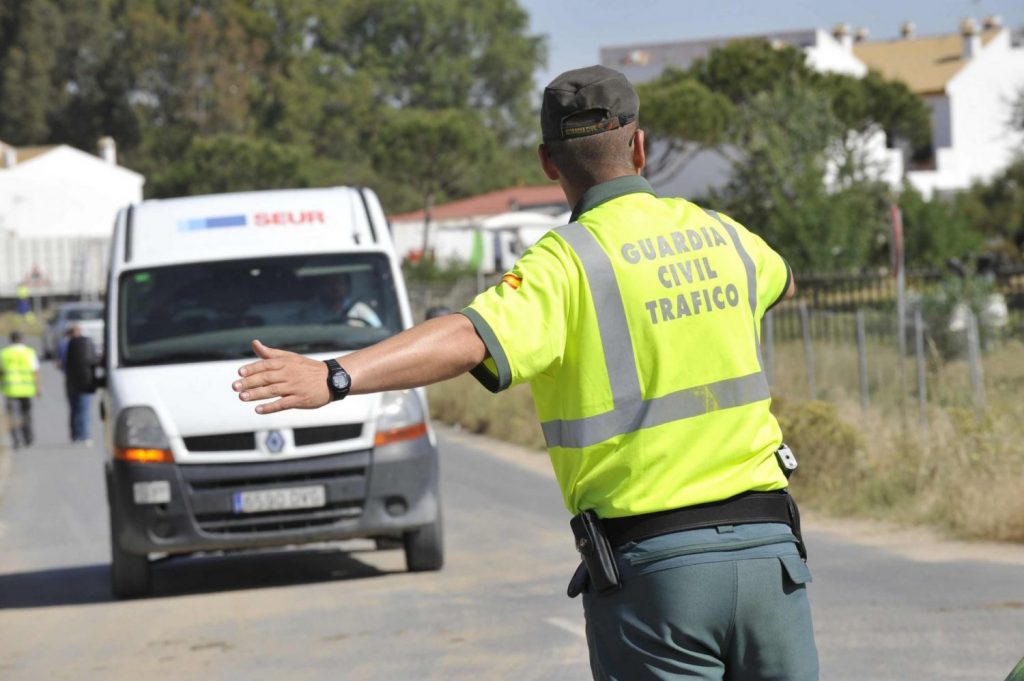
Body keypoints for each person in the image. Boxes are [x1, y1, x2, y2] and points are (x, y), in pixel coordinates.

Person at [231, 65, 816, 680]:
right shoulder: (724, 234)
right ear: (641, 146)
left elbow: (466, 337)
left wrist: (335, 376)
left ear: (547, 162)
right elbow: (783, 279)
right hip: (771, 558)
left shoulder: (565, 264)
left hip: (657, 576)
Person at [292, 273, 382, 328]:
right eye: (329, 283)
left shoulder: (360, 310)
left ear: (346, 286)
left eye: (338, 282)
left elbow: (378, 332)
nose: (335, 287)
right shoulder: (311, 313)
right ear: (321, 287)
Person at [1, 330, 40, 449]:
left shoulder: (4, 353)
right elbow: (35, 372)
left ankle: (16, 440)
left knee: (12, 416)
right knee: (26, 414)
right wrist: (38, 388)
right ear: (22, 339)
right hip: (26, 389)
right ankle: (28, 437)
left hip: (10, 389)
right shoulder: (29, 352)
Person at [58, 324, 96, 444]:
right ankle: (83, 435)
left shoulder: (64, 344)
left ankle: (75, 434)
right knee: (83, 408)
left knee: (75, 408)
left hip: (70, 379)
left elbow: (61, 363)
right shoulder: (84, 344)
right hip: (83, 379)